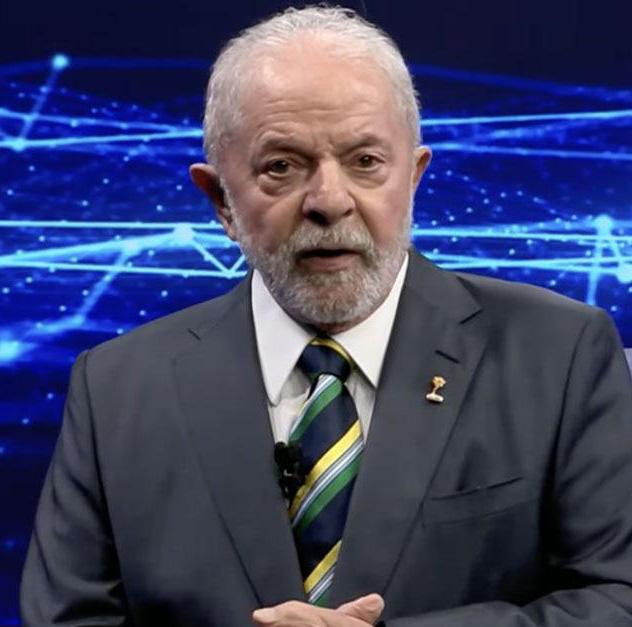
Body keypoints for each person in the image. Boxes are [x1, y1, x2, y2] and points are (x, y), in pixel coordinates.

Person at [20, 6, 632, 627]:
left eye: (365, 161)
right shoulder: (116, 390)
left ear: (414, 177)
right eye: (282, 167)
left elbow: (618, 596)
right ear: (220, 201)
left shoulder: (561, 356)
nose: (330, 201)